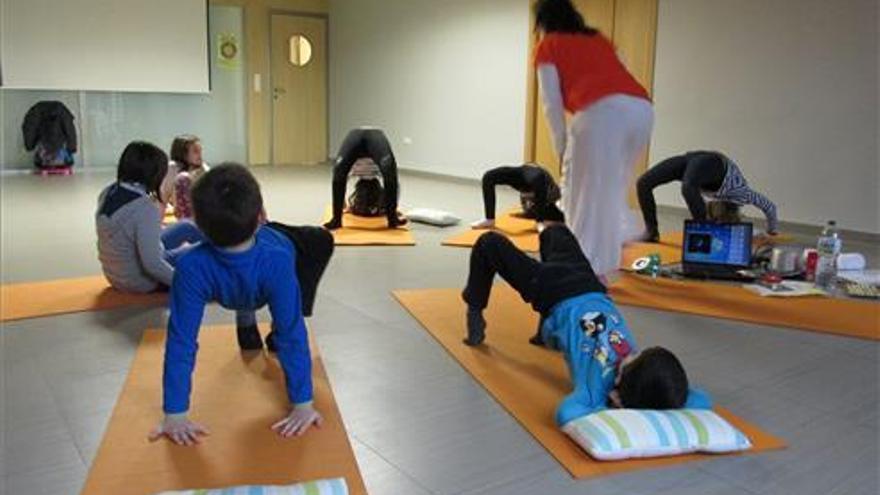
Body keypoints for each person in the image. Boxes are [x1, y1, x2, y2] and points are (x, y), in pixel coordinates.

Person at [149, 163, 334, 446]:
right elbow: (292, 335)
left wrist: (175, 414)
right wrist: (302, 405)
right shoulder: (276, 261)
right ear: (259, 214)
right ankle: (247, 313)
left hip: (275, 246)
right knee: (323, 238)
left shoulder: (190, 266)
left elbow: (180, 342)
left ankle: (245, 312)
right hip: (266, 258)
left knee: (315, 241)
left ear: (196, 222)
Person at [461, 224, 711, 425]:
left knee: (488, 244)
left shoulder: (594, 392)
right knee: (554, 232)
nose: (628, 355)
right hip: (590, 286)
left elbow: (566, 413)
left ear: (618, 387)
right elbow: (702, 400)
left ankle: (475, 310)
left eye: (626, 365)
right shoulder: (643, 373)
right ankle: (545, 332)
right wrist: (675, 401)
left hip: (552, 291)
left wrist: (615, 407)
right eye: (636, 355)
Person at [534, 0, 654, 277]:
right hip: (642, 110)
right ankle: (618, 236)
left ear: (542, 21)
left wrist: (562, 150)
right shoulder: (599, 39)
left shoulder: (548, 45)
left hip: (601, 113)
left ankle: (586, 270)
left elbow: (551, 104)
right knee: (610, 187)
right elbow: (620, 71)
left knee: (581, 196)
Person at [96, 141, 205, 293]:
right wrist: (186, 285)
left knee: (187, 226)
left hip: (115, 274)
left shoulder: (108, 192)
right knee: (200, 250)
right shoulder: (144, 208)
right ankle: (233, 258)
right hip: (139, 280)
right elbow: (153, 265)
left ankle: (230, 247)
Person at [636, 151, 779, 241]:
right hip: (714, 163)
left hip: (692, 163)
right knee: (688, 187)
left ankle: (652, 232)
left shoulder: (707, 200)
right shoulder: (741, 194)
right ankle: (703, 232)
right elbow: (769, 206)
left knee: (643, 183)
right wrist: (771, 231)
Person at [323, 127, 407, 230]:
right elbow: (394, 183)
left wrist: (343, 207)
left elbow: (339, 180)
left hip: (357, 136)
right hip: (373, 136)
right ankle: (392, 219)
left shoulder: (354, 171)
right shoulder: (375, 171)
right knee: (390, 175)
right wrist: (393, 209)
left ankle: (336, 220)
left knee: (339, 174)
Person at [470, 164, 563, 229]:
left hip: (542, 191)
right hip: (529, 174)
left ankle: (540, 220)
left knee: (537, 208)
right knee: (488, 177)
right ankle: (489, 219)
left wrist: (540, 221)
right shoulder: (533, 178)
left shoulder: (553, 201)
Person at [168, 134, 210, 220]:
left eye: (200, 150)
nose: (200, 155)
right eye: (195, 151)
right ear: (183, 154)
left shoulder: (203, 169)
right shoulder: (174, 172)